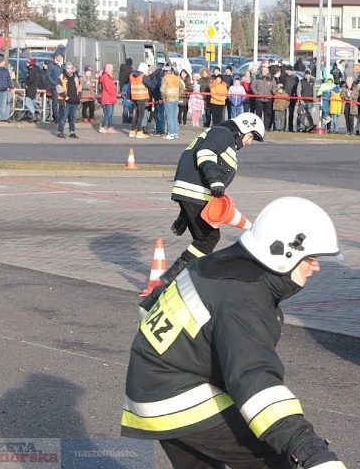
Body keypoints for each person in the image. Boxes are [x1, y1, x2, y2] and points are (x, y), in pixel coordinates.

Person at [123, 197, 346, 469]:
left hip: (150, 387)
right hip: (179, 398)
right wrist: (307, 448)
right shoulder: (242, 298)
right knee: (273, 457)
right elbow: (254, 380)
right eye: (311, 257)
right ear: (284, 253)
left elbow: (150, 306)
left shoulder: (219, 264)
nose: (316, 266)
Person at [162, 112, 266, 284]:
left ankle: (182, 278)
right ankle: (172, 279)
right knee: (208, 238)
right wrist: (215, 180)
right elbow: (205, 152)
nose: (248, 143)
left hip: (192, 192)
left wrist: (185, 217)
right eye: (251, 137)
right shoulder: (223, 133)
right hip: (195, 191)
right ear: (244, 128)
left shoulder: (223, 138)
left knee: (204, 238)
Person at [56, 63, 81, 138]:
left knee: (73, 118)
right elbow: (58, 87)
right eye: (68, 68)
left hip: (74, 100)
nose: (70, 70)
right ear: (65, 69)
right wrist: (65, 96)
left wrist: (79, 96)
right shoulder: (61, 77)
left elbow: (79, 86)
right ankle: (60, 131)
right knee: (63, 117)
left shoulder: (76, 77)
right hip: (65, 101)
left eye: (71, 68)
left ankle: (72, 132)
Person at [128, 63, 151, 139]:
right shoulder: (143, 77)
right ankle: (139, 131)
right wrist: (148, 76)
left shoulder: (131, 75)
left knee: (136, 114)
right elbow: (150, 85)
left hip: (134, 97)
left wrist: (129, 97)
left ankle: (132, 131)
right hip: (142, 97)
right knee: (141, 115)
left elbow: (129, 87)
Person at [161, 65, 182, 139]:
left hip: (168, 99)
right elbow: (182, 88)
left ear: (165, 72)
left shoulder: (165, 78)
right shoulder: (177, 78)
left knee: (169, 117)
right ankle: (175, 133)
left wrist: (163, 98)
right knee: (174, 117)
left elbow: (162, 90)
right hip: (176, 99)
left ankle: (171, 133)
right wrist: (177, 95)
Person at [98, 63, 118, 133]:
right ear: (107, 70)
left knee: (111, 114)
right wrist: (113, 93)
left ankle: (110, 127)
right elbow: (108, 88)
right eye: (111, 70)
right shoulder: (105, 77)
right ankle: (102, 126)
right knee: (108, 113)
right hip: (107, 97)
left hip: (111, 97)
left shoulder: (110, 77)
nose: (112, 71)